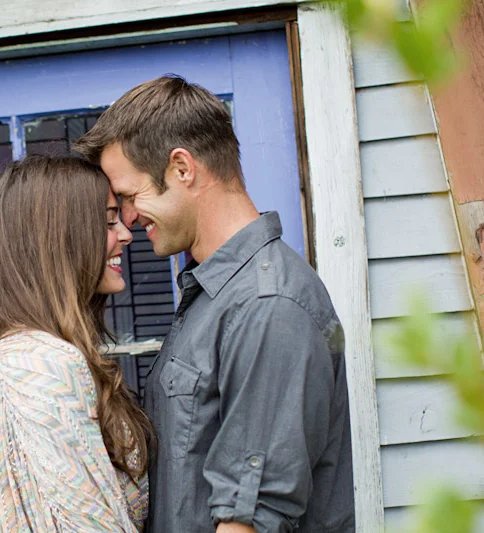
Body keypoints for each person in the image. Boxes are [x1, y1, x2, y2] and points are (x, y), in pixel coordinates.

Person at [73, 75, 355, 533]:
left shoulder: (268, 305)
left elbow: (249, 520)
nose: (126, 218)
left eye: (129, 196)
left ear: (182, 168)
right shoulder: (214, 296)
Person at [0, 156, 154, 532]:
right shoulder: (39, 362)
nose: (125, 233)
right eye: (107, 222)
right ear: (58, 238)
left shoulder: (29, 352)